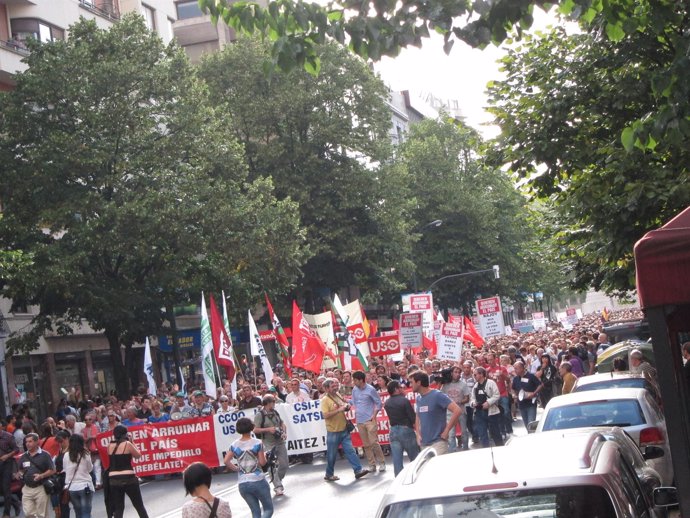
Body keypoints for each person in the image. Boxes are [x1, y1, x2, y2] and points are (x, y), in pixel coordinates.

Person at [320, 378, 369, 482]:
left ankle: (358, 470)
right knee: (332, 455)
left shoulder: (337, 395)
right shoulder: (325, 400)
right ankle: (329, 474)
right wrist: (339, 410)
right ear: (326, 388)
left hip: (343, 429)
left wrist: (346, 406)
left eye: (336, 386)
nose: (335, 388)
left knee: (350, 451)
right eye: (332, 387)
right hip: (333, 431)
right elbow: (325, 415)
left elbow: (344, 403)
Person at [224, 417, 273, 518]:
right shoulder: (257, 443)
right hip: (257, 479)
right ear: (251, 427)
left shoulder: (234, 445)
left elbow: (226, 461)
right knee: (268, 509)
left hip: (243, 483)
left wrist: (237, 469)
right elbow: (262, 463)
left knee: (255, 513)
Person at [410, 371, 461, 455]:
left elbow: (457, 410)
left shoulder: (437, 395)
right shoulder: (418, 398)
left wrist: (447, 430)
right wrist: (418, 434)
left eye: (412, 382)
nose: (410, 385)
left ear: (418, 383)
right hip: (424, 444)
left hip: (438, 443)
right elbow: (418, 416)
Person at [106, 425, 149, 518]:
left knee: (119, 507)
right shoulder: (127, 444)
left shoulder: (109, 446)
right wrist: (132, 442)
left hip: (113, 478)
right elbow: (138, 455)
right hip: (128, 477)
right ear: (125, 434)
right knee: (138, 505)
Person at [253, 395, 288, 497]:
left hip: (279, 440)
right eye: (273, 402)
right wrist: (268, 429)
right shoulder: (260, 415)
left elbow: (282, 423)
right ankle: (278, 486)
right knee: (271, 464)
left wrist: (284, 432)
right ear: (268, 403)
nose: (274, 404)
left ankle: (277, 479)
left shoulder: (275, 412)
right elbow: (255, 430)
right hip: (268, 442)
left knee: (284, 464)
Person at [351, 371, 386, 472]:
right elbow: (353, 401)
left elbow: (379, 403)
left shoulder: (371, 389)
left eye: (355, 380)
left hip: (370, 420)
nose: (354, 382)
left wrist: (374, 415)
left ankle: (382, 462)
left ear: (361, 380)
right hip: (359, 420)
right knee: (366, 444)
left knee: (373, 442)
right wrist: (345, 402)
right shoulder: (354, 389)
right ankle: (372, 464)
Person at [383, 380, 419, 476]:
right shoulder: (404, 401)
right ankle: (416, 476)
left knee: (397, 459)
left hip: (393, 430)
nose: (403, 389)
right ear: (396, 389)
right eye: (400, 387)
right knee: (415, 457)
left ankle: (398, 479)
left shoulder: (387, 402)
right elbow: (413, 418)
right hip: (406, 429)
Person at [16, 433, 55, 518]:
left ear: (37, 442)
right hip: (27, 488)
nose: (27, 444)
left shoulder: (45, 455)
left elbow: (52, 470)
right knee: (28, 514)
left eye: (30, 441)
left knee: (41, 515)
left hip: (40, 488)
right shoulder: (24, 456)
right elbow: (20, 469)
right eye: (26, 442)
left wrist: (41, 476)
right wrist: (19, 474)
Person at [470, 367, 504, 448]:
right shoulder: (475, 386)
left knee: (495, 433)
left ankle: (500, 448)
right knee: (482, 434)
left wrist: (488, 403)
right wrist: (473, 403)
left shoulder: (491, 383)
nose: (474, 376)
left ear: (481, 374)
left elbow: (497, 395)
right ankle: (486, 450)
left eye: (475, 374)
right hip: (479, 413)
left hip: (491, 413)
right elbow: (472, 398)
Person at [439, 366, 470, 451]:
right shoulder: (445, 385)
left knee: (464, 431)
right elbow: (440, 395)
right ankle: (452, 450)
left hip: (461, 411)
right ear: (451, 373)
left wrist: (460, 402)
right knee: (451, 433)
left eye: (459, 372)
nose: (457, 374)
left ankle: (465, 448)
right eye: (455, 372)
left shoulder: (463, 384)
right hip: (449, 412)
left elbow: (467, 398)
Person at [63, 434, 94, 518]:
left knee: (78, 513)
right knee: (86, 512)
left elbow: (65, 469)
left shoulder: (66, 455)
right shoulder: (85, 454)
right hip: (85, 485)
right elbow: (90, 469)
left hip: (72, 487)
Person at [511, 361, 543, 427]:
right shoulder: (515, 379)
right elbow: (513, 389)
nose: (515, 371)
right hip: (521, 404)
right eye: (514, 369)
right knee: (526, 424)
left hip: (531, 403)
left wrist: (534, 393)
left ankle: (532, 435)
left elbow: (540, 385)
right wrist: (513, 395)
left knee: (531, 424)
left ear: (522, 368)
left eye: (516, 369)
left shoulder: (531, 376)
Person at [0, 421, 20, 518]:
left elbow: (16, 449)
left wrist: (7, 456)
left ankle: (6, 513)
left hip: (7, 464)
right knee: (2, 489)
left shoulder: (8, 436)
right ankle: (15, 503)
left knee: (6, 487)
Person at [52, 430, 71, 518]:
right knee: (63, 504)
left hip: (69, 478)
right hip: (61, 479)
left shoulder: (71, 450)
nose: (60, 443)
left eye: (61, 441)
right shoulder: (61, 450)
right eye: (59, 442)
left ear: (67, 439)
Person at [80, 414, 101, 490]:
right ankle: (92, 482)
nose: (87, 421)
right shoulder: (83, 430)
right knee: (89, 467)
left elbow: (99, 436)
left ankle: (98, 483)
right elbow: (83, 440)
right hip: (88, 451)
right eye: (86, 420)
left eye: (89, 419)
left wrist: (91, 437)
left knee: (97, 466)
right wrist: (89, 438)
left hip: (96, 450)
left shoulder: (96, 427)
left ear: (92, 420)